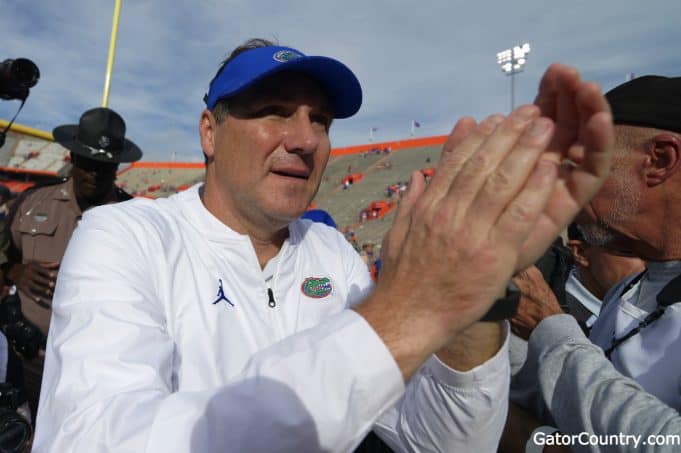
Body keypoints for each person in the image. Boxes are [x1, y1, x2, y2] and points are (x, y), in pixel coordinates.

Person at [33, 39, 615, 452]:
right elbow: (97, 438)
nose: (305, 139)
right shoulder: (126, 236)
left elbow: (443, 441)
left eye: (321, 119)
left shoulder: (330, 255)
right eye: (273, 112)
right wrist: (406, 315)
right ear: (210, 131)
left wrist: (482, 300)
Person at [514, 75, 681, 452]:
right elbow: (570, 405)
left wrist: (548, 328)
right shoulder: (628, 289)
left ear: (659, 160)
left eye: (580, 165)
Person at [0, 106, 141, 418]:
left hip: (97, 369)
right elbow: (3, 256)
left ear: (117, 166)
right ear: (73, 159)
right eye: (88, 163)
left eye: (104, 166)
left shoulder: (134, 219)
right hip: (27, 360)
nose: (94, 173)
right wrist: (14, 270)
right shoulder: (30, 203)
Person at [564, 222, 645, 330]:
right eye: (628, 251)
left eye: (655, 252)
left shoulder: (655, 307)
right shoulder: (554, 322)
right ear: (581, 252)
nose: (649, 264)